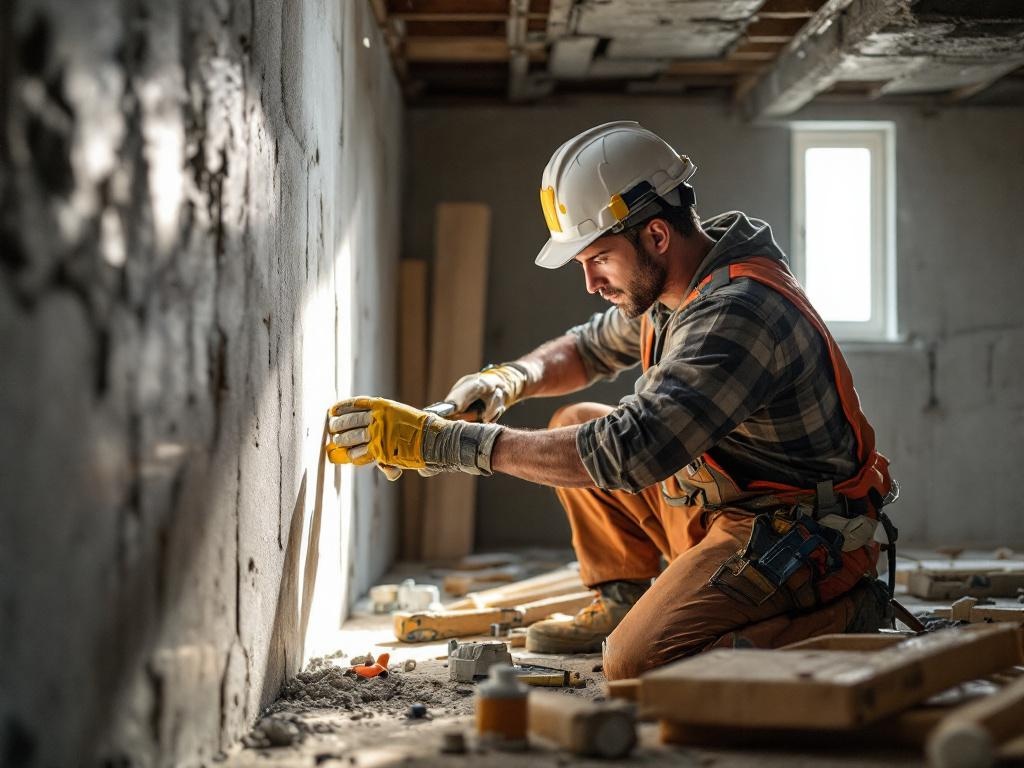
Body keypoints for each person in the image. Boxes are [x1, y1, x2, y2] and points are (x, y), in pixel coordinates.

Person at [326, 121, 898, 680]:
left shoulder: (737, 313)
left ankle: (846, 613)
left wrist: (450, 445)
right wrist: (508, 378)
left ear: (655, 235)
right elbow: (587, 347)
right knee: (576, 418)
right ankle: (625, 596)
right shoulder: (678, 287)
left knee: (639, 664)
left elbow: (630, 452)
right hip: (725, 505)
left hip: (795, 537)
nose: (591, 283)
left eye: (597, 259)